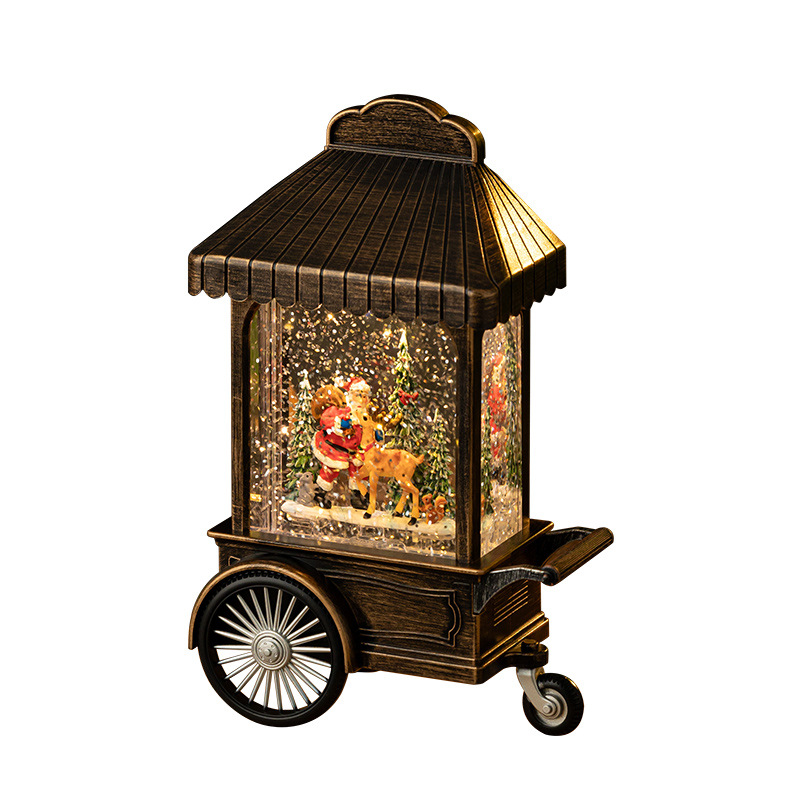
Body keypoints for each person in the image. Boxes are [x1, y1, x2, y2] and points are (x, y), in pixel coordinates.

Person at [309, 382, 370, 509]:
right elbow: (326, 420)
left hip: (355, 450)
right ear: (350, 396)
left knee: (359, 471)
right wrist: (340, 424)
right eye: (358, 395)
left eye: (364, 396)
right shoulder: (339, 411)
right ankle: (321, 493)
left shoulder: (365, 416)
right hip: (335, 447)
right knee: (330, 470)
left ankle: (357, 496)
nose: (361, 399)